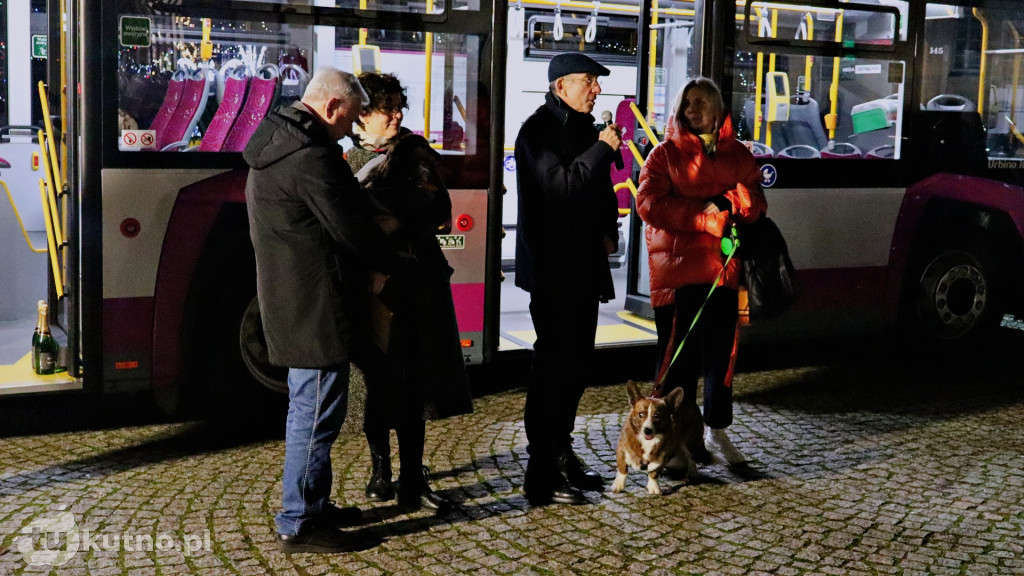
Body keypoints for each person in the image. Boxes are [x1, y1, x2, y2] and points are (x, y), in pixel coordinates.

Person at [244, 67, 406, 554]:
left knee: (309, 409)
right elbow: (349, 226)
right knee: (314, 415)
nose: (353, 127)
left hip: (292, 296)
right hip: (314, 302)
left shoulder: (278, 142)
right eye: (352, 116)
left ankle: (313, 502)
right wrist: (391, 263)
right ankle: (299, 521)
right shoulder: (311, 158)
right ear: (332, 107)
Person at [345, 72, 472, 514]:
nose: (398, 114)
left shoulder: (415, 151)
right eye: (388, 108)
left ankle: (412, 476)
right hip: (373, 288)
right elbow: (346, 221)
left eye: (400, 105)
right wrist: (397, 206)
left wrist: (384, 207)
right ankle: (380, 468)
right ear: (363, 114)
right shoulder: (345, 159)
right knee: (377, 383)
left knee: (416, 382)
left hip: (419, 281)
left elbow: (439, 208)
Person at [635, 77, 766, 466]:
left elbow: (756, 203)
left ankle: (716, 432)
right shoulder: (663, 155)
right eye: (687, 102)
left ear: (718, 110)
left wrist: (731, 201)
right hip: (676, 276)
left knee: (722, 359)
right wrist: (703, 218)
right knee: (678, 363)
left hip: (724, 272)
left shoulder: (738, 154)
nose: (694, 109)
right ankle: (671, 443)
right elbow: (648, 206)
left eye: (702, 101)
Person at [514, 53, 622, 505]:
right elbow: (561, 185)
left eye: (596, 81)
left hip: (583, 268)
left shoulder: (584, 127)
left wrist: (608, 232)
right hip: (553, 270)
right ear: (560, 86)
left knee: (576, 368)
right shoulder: (537, 130)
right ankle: (540, 474)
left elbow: (596, 192)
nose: (596, 88)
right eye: (587, 81)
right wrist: (604, 148)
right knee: (553, 368)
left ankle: (562, 455)